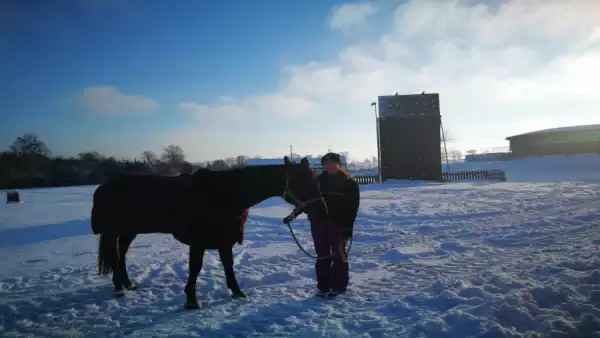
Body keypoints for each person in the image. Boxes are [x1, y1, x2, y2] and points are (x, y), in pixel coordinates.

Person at [308, 152, 360, 296]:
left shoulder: (349, 183)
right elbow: (308, 202)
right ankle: (323, 286)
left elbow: (353, 207)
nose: (329, 166)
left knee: (339, 254)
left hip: (339, 224)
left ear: (338, 164)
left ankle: (339, 286)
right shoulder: (316, 182)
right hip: (319, 223)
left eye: (332, 163)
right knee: (322, 254)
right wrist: (311, 216)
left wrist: (349, 226)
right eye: (326, 163)